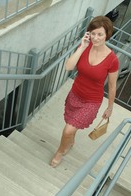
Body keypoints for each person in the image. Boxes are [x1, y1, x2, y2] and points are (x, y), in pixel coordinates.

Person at [50, 16, 119, 168]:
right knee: (70, 124)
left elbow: (112, 86)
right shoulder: (85, 47)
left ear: (107, 34)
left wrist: (110, 107)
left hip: (91, 101)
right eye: (93, 33)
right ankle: (71, 141)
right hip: (75, 94)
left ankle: (60, 152)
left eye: (100, 34)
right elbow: (68, 67)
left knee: (68, 130)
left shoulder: (112, 60)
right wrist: (82, 47)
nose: (96, 37)